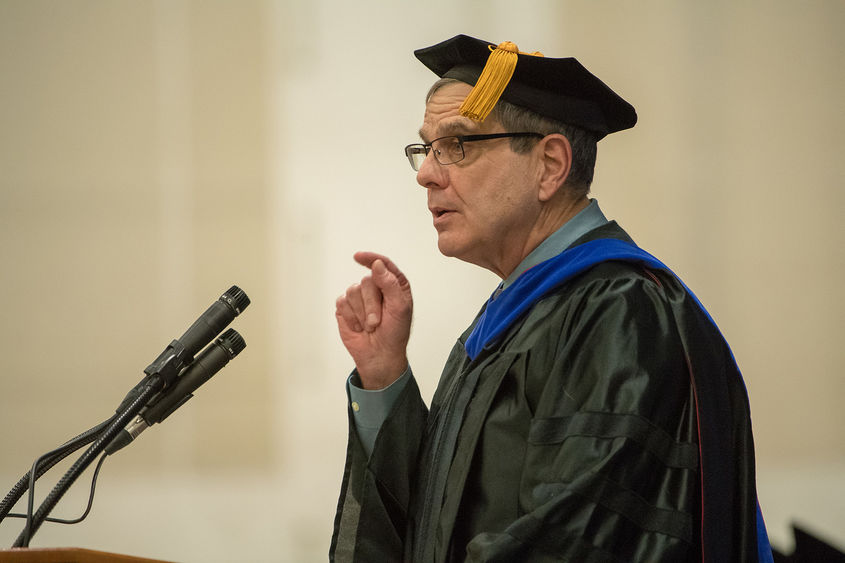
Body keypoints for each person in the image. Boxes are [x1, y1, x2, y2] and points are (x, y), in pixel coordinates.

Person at [330, 34, 773, 562]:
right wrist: (385, 378)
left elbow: (575, 541)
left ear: (549, 166)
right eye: (426, 148)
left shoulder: (619, 310)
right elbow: (438, 524)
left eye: (458, 145)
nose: (427, 172)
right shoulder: (511, 322)